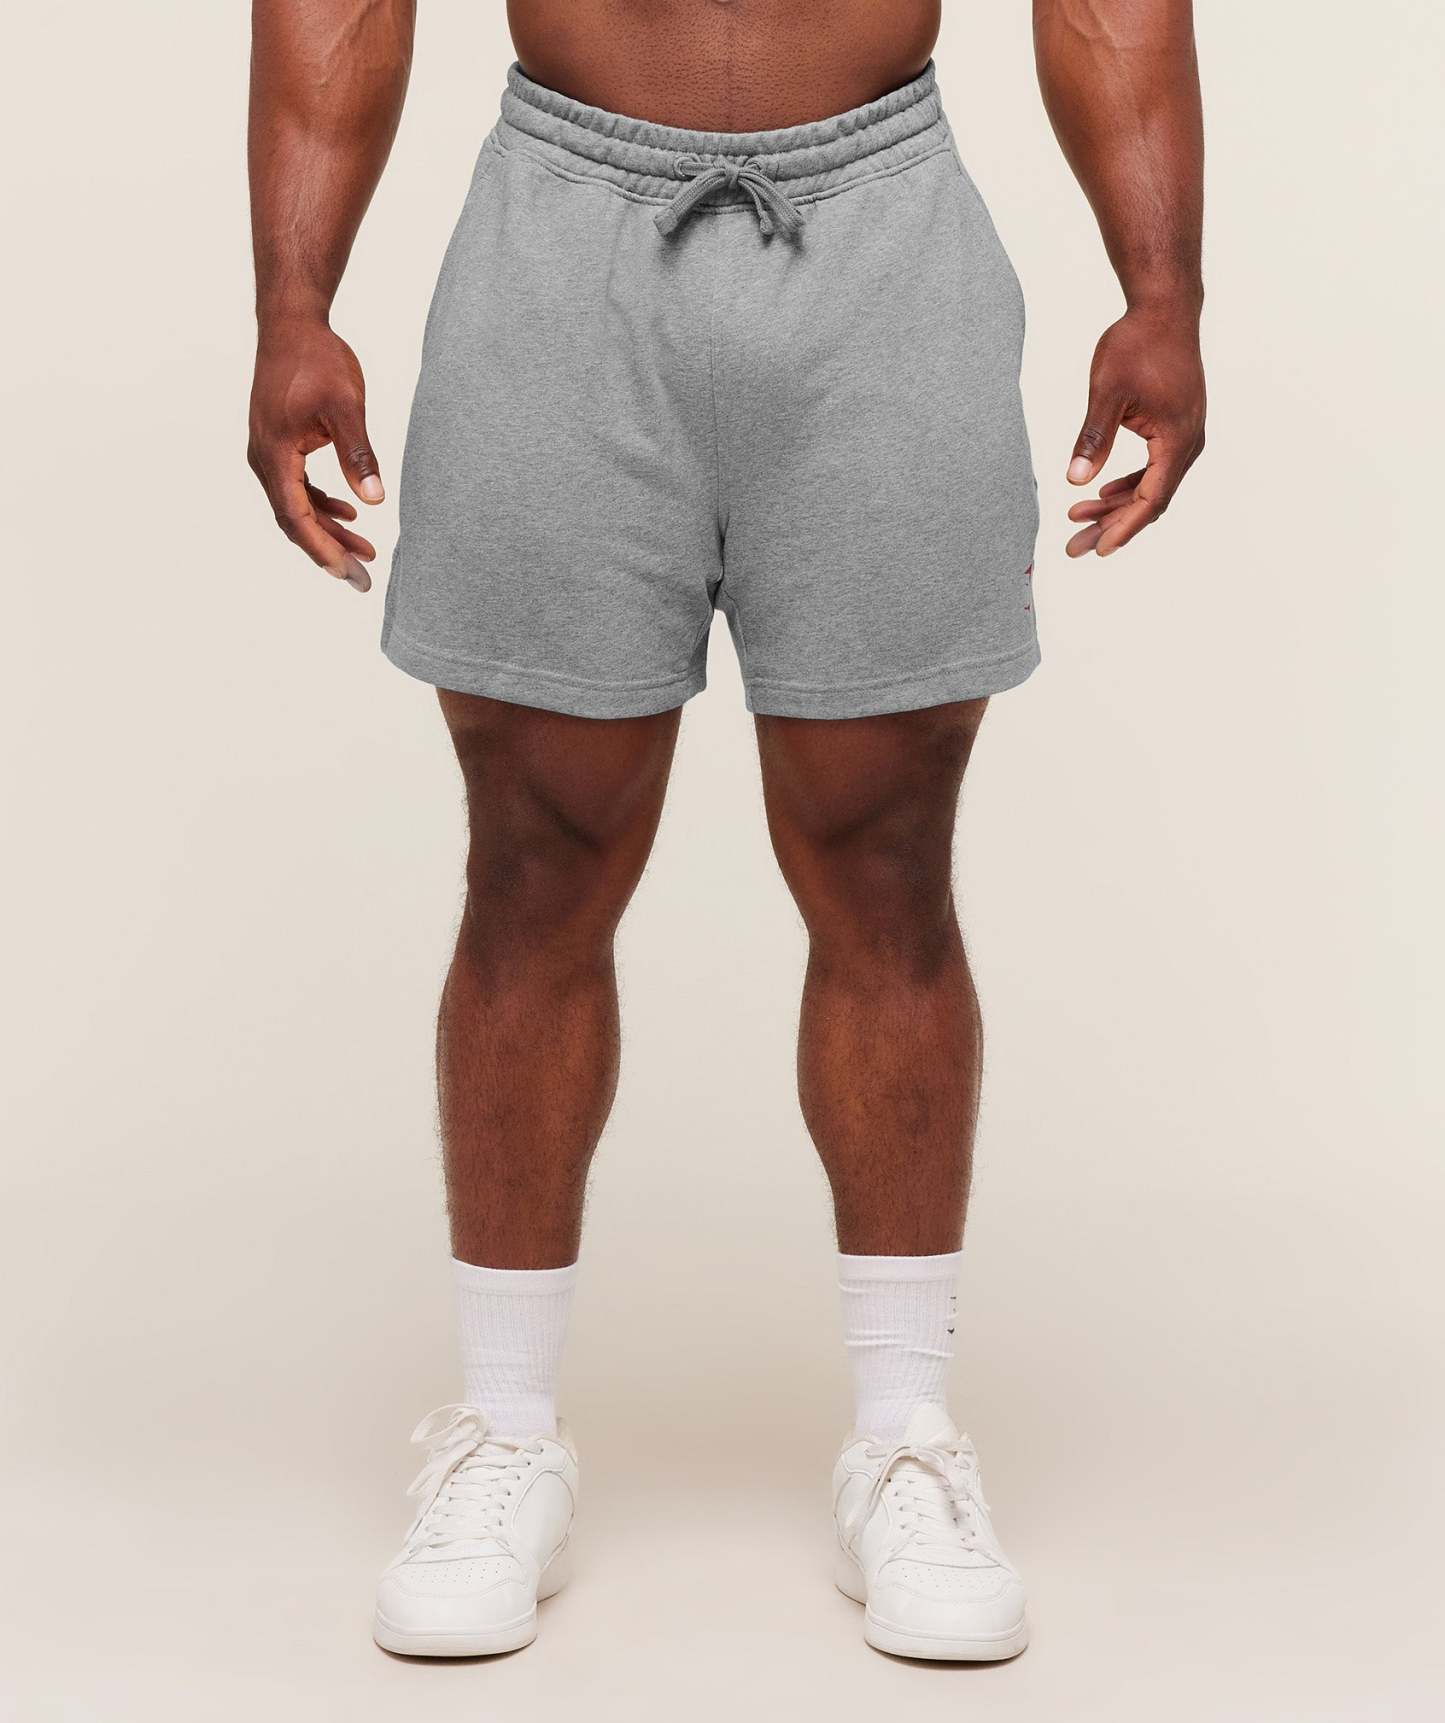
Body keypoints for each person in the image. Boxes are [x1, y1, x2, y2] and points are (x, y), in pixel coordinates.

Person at [247, 0, 1204, 1662]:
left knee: (886, 859)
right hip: (556, 233)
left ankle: (902, 1437)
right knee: (534, 861)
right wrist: (290, 306)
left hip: (882, 228)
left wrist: (1163, 292)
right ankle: (503, 1432)